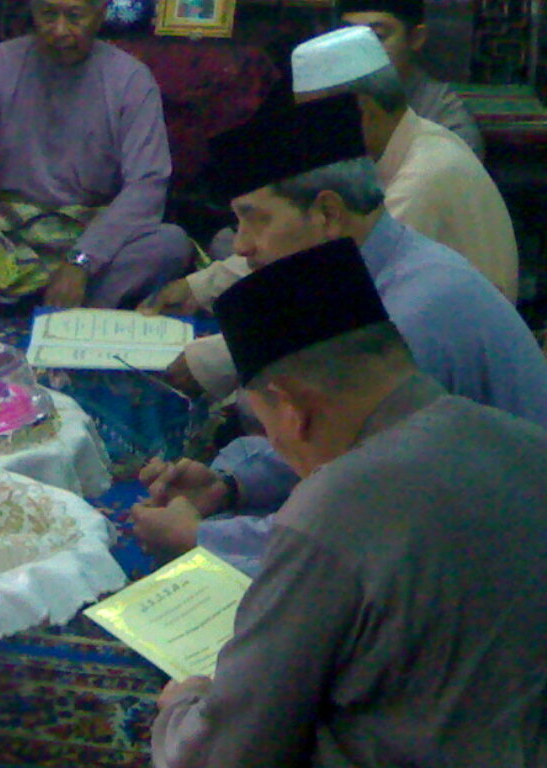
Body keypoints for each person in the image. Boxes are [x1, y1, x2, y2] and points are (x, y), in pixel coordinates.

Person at [150, 236, 547, 768]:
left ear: (290, 408)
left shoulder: (333, 508)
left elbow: (228, 752)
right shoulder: (525, 442)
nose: (277, 447)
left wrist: (182, 708)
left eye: (268, 427)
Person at [130, 94, 547, 574]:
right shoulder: (378, 274)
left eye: (255, 219)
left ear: (328, 214)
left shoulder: (407, 319)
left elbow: (357, 525)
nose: (241, 246)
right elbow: (335, 448)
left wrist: (200, 539)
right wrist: (229, 485)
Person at [0, 0, 194, 316]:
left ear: (100, 13)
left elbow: (147, 185)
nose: (60, 30)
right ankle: (68, 307)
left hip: (89, 230)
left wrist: (83, 260)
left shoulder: (131, 79)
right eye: (48, 14)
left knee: (170, 244)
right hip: (5, 230)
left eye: (74, 16)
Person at [293, 25, 518, 300]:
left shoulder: (421, 179)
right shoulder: (419, 141)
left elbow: (342, 292)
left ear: (361, 111)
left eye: (316, 122)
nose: (312, 138)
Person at [339, 0, 484, 157]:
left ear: (416, 38)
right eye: (349, 36)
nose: (359, 49)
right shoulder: (332, 101)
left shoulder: (447, 122)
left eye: (378, 36)